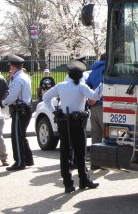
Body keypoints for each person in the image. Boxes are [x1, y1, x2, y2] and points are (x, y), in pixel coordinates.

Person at [43, 60, 103, 193]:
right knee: (80, 153)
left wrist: (54, 111)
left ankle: (68, 184)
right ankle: (84, 180)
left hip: (64, 122)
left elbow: (46, 98)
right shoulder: (81, 86)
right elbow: (95, 96)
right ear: (81, 75)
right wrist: (102, 85)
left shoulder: (61, 85)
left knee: (65, 153)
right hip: (77, 122)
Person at [1, 54, 34, 171]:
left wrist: (3, 103)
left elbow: (12, 96)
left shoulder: (18, 79)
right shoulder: (23, 76)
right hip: (24, 108)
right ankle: (28, 159)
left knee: (17, 136)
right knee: (22, 135)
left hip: (20, 110)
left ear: (13, 67)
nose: (10, 68)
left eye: (11, 66)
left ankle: (20, 162)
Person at [86, 53, 106, 170]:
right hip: (104, 104)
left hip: (93, 107)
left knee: (95, 134)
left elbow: (87, 85)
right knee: (106, 135)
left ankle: (95, 162)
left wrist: (90, 98)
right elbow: (104, 84)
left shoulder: (93, 71)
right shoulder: (107, 69)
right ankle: (104, 161)